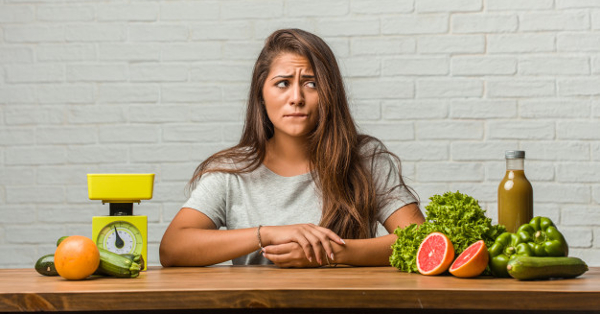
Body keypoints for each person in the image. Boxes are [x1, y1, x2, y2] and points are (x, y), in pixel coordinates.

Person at [159, 29, 424, 268]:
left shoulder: (365, 159)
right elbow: (173, 248)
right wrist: (269, 233)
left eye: (312, 84)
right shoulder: (232, 172)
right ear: (261, 96)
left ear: (329, 94)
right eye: (283, 83)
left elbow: (418, 240)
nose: (296, 98)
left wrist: (330, 252)